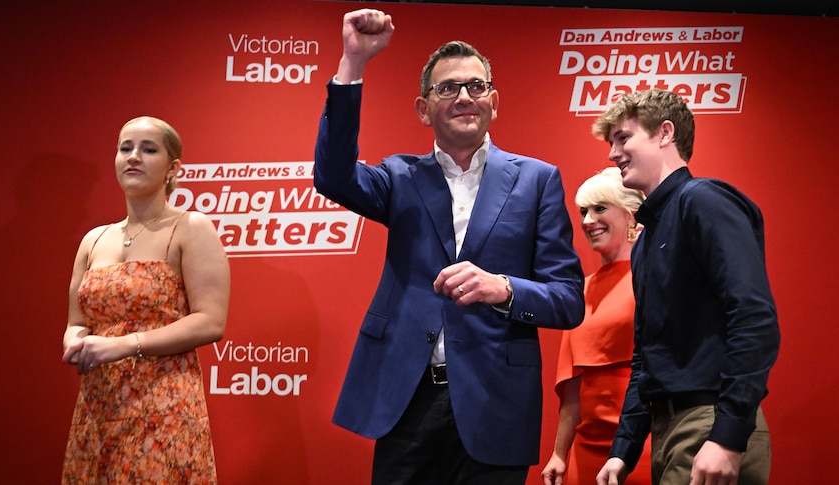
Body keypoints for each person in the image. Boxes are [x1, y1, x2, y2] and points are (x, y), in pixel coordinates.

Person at [313, 8, 585, 485]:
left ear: (494, 101)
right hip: (407, 400)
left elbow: (567, 299)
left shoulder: (538, 181)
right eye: (448, 88)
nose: (464, 97)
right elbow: (333, 175)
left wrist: (502, 287)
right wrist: (353, 63)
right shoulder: (399, 177)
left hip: (494, 401)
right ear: (423, 108)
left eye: (476, 87)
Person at [592, 90, 780, 485]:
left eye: (623, 138)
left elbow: (753, 317)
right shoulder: (645, 239)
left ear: (664, 133)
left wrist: (727, 436)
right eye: (611, 142)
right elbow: (647, 354)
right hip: (672, 430)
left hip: (708, 425)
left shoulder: (704, 201)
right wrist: (624, 449)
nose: (612, 153)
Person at [61, 116, 231, 483]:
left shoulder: (191, 228)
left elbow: (210, 321)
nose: (133, 157)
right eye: (126, 148)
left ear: (173, 168)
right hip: (99, 404)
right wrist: (74, 342)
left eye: (148, 149)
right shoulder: (93, 240)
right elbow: (77, 321)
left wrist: (124, 345)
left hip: (163, 406)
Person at [541, 167, 651, 485]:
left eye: (600, 208)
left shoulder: (653, 282)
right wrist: (560, 454)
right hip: (585, 452)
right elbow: (572, 391)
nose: (588, 221)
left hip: (641, 446)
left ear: (632, 215)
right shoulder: (579, 291)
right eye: (584, 211)